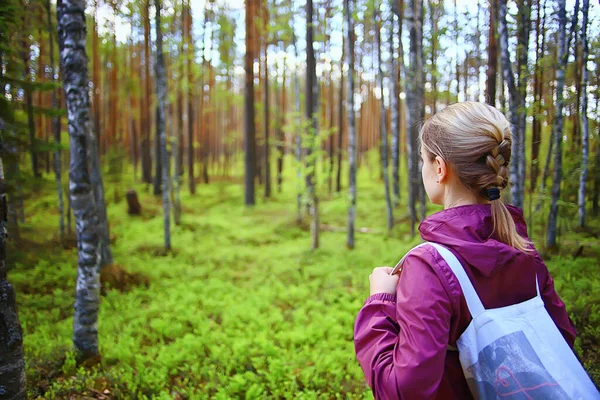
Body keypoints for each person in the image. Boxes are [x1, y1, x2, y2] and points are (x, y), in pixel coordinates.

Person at [353, 102, 576, 400]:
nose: (423, 168)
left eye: (423, 159)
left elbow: (401, 391)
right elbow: (562, 340)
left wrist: (380, 301)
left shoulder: (430, 266)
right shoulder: (524, 250)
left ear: (440, 168)